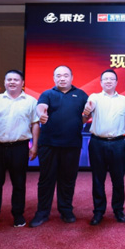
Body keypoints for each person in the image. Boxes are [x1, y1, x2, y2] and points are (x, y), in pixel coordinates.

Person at [0, 70, 39, 230]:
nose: (12, 82)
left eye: (16, 79)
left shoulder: (31, 101)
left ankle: (18, 215)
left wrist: (35, 146)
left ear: (22, 83)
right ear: (5, 82)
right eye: (9, 79)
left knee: (19, 183)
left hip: (19, 147)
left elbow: (35, 124)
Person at [30, 65, 88, 228]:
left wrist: (87, 114)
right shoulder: (47, 94)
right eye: (58, 75)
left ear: (72, 77)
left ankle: (66, 210)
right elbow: (41, 107)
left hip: (72, 144)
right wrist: (41, 114)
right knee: (46, 180)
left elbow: (85, 116)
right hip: (49, 144)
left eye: (65, 75)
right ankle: (42, 212)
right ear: (54, 78)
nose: (62, 78)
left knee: (68, 180)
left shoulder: (81, 95)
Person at [83, 69, 125, 226]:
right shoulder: (94, 97)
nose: (108, 81)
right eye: (105, 79)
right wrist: (86, 112)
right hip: (97, 143)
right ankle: (98, 211)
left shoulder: (123, 100)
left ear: (116, 82)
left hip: (118, 143)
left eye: (112, 79)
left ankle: (118, 210)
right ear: (101, 82)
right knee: (98, 179)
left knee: (118, 179)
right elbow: (86, 114)